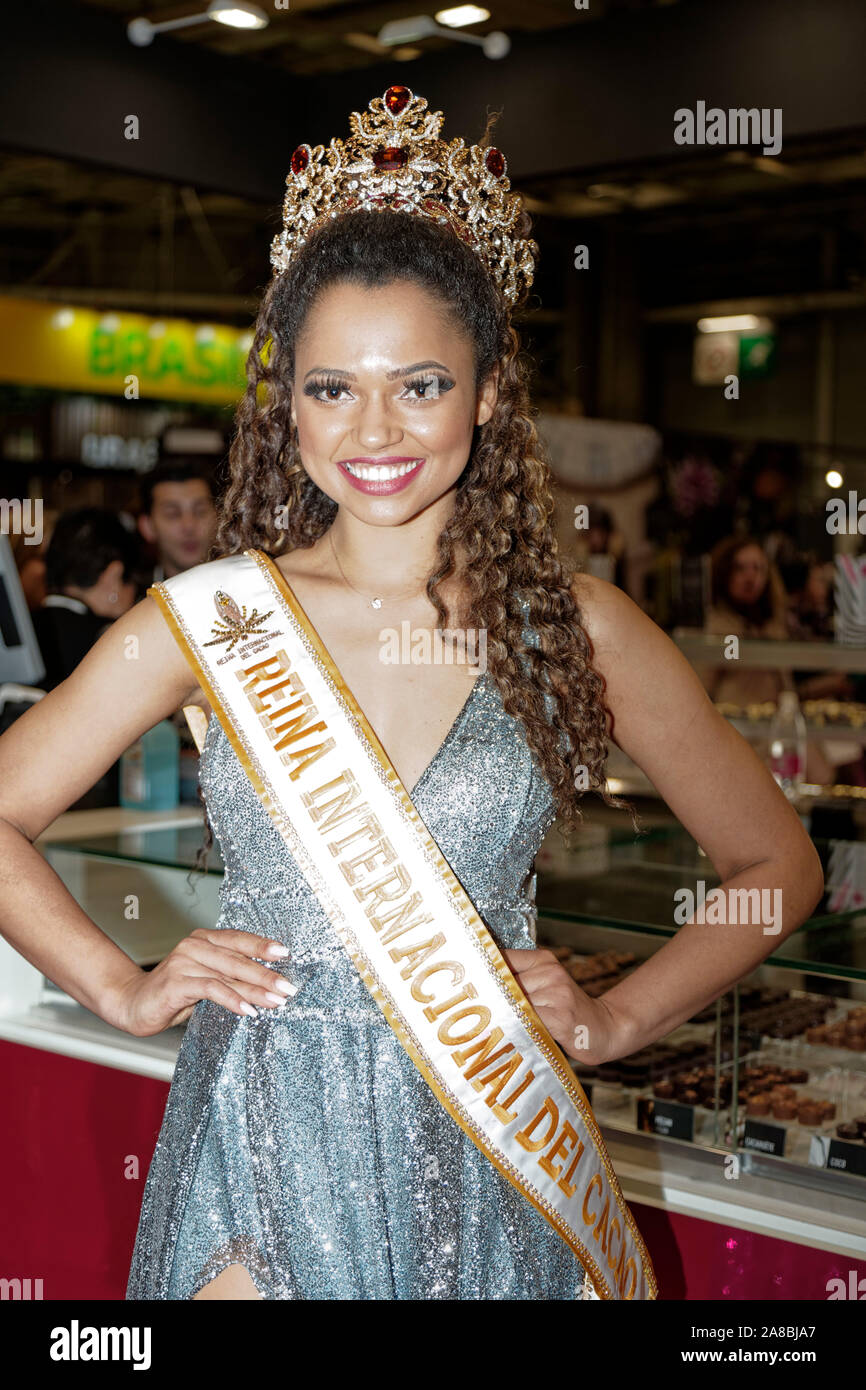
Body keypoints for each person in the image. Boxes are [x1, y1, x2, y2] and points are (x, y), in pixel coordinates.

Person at [0, 86, 823, 1302]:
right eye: (331, 386)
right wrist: (121, 985)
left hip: (489, 1136)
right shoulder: (212, 619)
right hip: (259, 1138)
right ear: (288, 399)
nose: (372, 427)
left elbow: (777, 868)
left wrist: (611, 1020)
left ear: (490, 391)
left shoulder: (576, 628)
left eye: (420, 384)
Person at [137, 458, 218, 585]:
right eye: (173, 514)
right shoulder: (134, 600)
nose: (189, 526)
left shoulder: (245, 592)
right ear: (147, 526)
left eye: (200, 511)